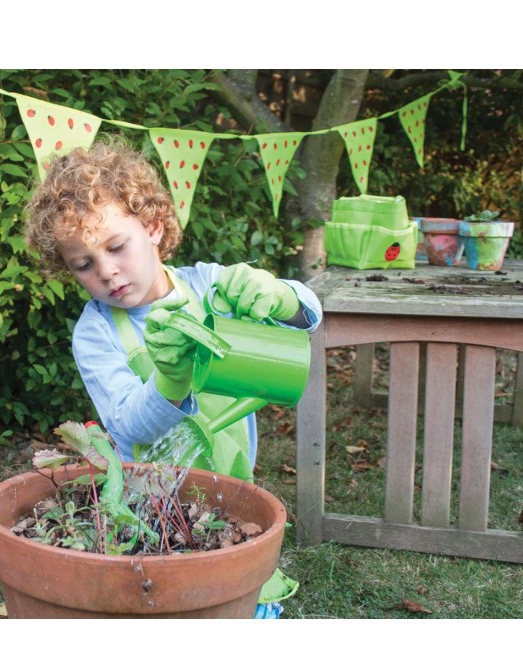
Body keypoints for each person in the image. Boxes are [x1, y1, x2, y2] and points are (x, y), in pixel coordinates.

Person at [25, 136, 322, 616]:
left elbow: (309, 313)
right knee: (166, 599)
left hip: (233, 486)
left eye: (116, 246)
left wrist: (283, 297)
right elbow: (125, 426)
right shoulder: (97, 334)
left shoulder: (208, 286)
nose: (107, 272)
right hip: (151, 501)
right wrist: (169, 378)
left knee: (234, 593)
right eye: (84, 264)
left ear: (153, 227)